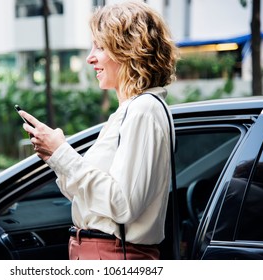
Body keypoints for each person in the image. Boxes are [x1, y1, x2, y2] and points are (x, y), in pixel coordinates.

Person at [19, 0, 178, 260]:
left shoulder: (143, 110)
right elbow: (88, 198)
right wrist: (55, 157)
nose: (90, 57)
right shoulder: (130, 111)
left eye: (100, 46)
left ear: (129, 50)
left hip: (113, 254)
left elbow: (122, 204)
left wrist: (62, 153)